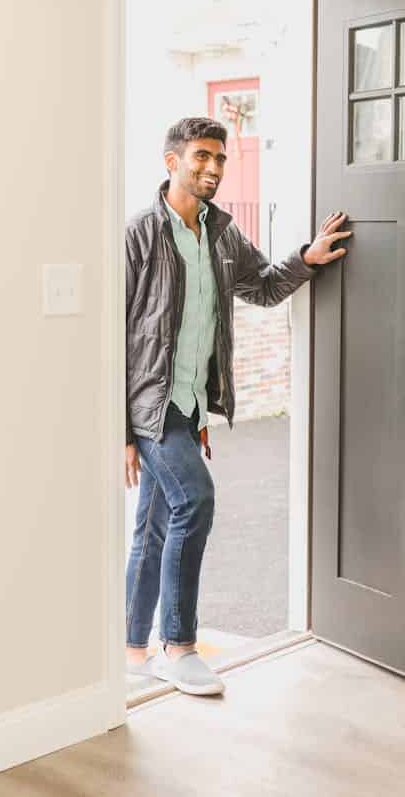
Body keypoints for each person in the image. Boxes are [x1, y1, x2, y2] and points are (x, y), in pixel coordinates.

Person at [124, 117, 350, 695]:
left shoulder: (222, 234)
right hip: (151, 405)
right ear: (171, 161)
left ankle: (132, 652)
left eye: (221, 159)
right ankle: (179, 647)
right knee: (194, 501)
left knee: (153, 526)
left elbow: (265, 287)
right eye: (201, 156)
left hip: (192, 404)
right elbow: (112, 333)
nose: (213, 168)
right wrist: (120, 431)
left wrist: (309, 256)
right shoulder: (140, 236)